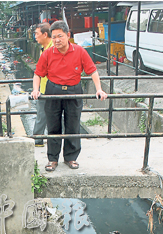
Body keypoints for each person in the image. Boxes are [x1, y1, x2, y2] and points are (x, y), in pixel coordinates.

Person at [31, 21, 107, 171]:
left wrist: (99, 89)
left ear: (68, 35)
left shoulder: (79, 51)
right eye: (54, 37)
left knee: (73, 124)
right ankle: (52, 159)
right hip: (53, 90)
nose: (57, 40)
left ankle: (71, 158)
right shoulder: (47, 53)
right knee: (53, 125)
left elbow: (92, 71)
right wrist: (36, 90)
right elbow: (38, 74)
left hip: (74, 90)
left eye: (60, 36)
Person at [32, 23, 53, 147]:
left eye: (36, 33)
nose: (35, 36)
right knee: (41, 114)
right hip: (43, 88)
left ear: (45, 34)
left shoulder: (53, 49)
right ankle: (38, 139)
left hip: (54, 88)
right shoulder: (43, 49)